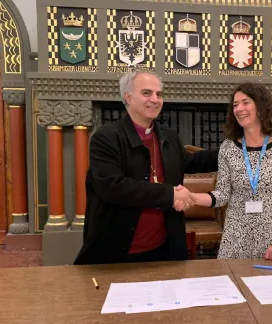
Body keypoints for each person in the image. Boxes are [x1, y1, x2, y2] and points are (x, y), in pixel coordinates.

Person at [73, 69, 218, 265]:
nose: (155, 99)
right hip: (119, 252)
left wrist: (233, 148)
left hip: (165, 248)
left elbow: (190, 162)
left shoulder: (168, 136)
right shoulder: (107, 137)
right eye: (146, 93)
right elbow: (113, 188)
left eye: (159, 94)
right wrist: (170, 194)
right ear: (128, 97)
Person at [188, 82, 272, 261]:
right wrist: (191, 197)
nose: (239, 108)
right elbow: (222, 195)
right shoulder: (228, 147)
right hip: (236, 238)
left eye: (245, 102)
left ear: (261, 106)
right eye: (235, 105)